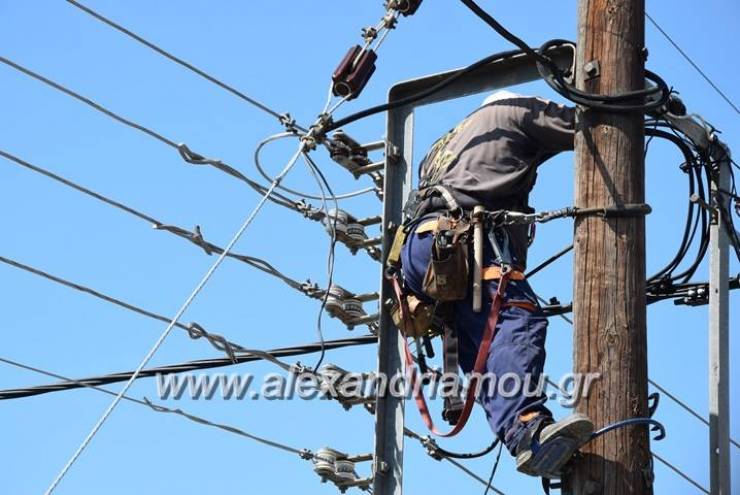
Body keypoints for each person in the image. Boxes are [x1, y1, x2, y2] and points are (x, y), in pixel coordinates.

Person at [396, 90, 594, 478]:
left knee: (483, 349)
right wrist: (642, 109)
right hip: (463, 242)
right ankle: (528, 427)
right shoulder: (517, 111)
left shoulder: (447, 141)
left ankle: (523, 436)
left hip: (419, 256)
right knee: (517, 320)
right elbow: (589, 125)